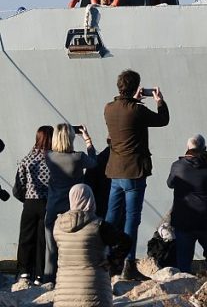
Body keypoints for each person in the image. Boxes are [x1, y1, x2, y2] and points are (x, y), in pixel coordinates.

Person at [103, 69, 169, 281]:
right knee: (132, 219)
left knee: (111, 218)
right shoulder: (137, 110)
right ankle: (128, 264)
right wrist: (159, 100)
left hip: (115, 171)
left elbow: (125, 118)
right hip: (134, 172)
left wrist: (134, 99)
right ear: (135, 87)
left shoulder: (109, 108)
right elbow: (162, 120)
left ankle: (105, 258)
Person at [52, 184, 130, 307]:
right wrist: (111, 260)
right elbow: (125, 242)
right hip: (93, 291)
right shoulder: (99, 225)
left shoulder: (58, 225)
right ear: (90, 199)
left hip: (64, 293)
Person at [44, 123, 97, 282]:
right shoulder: (79, 157)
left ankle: (49, 280)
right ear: (71, 138)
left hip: (53, 206)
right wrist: (87, 140)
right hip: (73, 208)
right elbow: (94, 162)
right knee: (75, 247)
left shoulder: (49, 156)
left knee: (51, 247)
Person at [167, 134, 207, 274]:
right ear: (204, 148)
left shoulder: (177, 166)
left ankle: (184, 288)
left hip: (183, 221)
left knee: (183, 260)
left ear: (187, 148)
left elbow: (170, 184)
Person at [14, 126, 53, 285]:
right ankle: (39, 275)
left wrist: (26, 199)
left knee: (25, 238)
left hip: (30, 203)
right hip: (48, 203)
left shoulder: (27, 159)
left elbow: (18, 186)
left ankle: (24, 272)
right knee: (43, 240)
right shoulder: (54, 160)